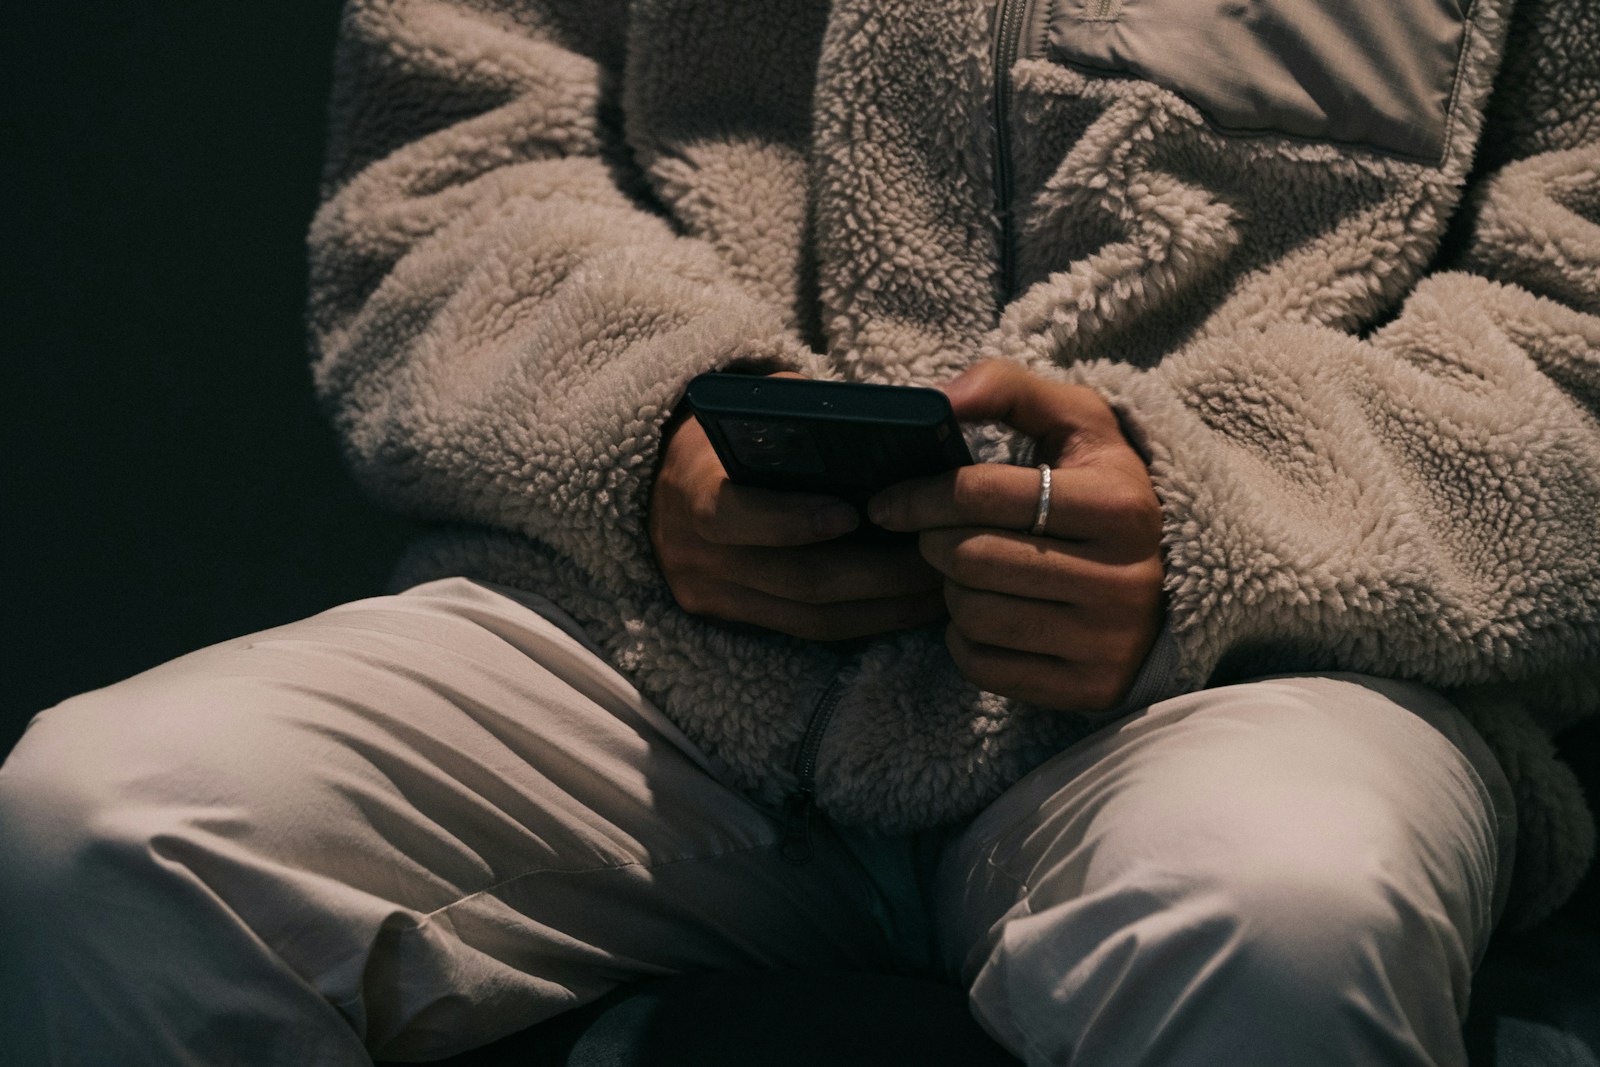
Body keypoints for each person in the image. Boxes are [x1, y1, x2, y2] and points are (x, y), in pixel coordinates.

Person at [3, 0, 1596, 1063]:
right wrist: (649, 432)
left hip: (1250, 669)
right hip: (653, 654)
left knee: (1287, 903)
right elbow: (449, 158)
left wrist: (1219, 512)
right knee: (100, 831)